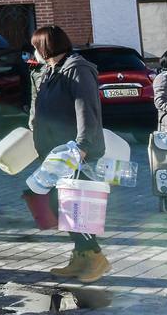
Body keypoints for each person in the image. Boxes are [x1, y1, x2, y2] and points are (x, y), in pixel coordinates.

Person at [27, 26, 111, 282]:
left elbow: (86, 108)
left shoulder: (77, 69)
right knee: (61, 206)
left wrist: (82, 146)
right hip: (55, 154)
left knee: (74, 208)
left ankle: (95, 257)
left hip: (74, 153)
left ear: (46, 47)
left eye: (35, 47)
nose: (34, 52)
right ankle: (80, 257)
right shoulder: (52, 70)